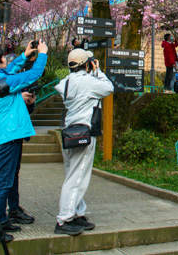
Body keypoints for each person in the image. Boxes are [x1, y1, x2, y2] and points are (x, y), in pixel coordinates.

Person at [0, 40, 48, 242]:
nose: (5, 60)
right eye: (3, 57)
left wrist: (25, 55)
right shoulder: (3, 81)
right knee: (3, 181)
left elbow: (9, 71)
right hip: (8, 136)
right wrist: (42, 54)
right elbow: (33, 75)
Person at [55, 49, 113, 235]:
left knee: (72, 174)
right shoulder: (88, 82)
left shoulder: (65, 82)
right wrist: (98, 71)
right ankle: (64, 219)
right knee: (77, 177)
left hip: (69, 132)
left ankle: (77, 213)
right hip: (84, 132)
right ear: (87, 64)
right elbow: (108, 88)